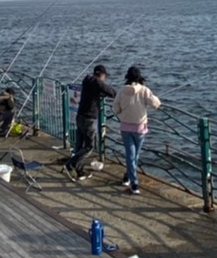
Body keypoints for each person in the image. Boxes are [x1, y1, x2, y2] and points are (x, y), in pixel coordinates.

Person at [113, 66, 160, 195]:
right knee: (135, 155)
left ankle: (128, 176)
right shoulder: (145, 90)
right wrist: (157, 101)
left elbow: (115, 107)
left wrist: (121, 114)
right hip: (139, 128)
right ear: (140, 77)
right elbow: (155, 104)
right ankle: (134, 183)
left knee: (131, 154)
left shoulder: (122, 90)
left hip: (125, 127)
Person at [64, 64, 117, 180]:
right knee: (89, 147)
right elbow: (112, 92)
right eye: (104, 76)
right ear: (102, 75)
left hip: (80, 115)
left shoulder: (87, 81)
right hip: (89, 118)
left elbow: (95, 92)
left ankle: (79, 170)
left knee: (79, 145)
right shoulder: (97, 83)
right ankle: (70, 164)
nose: (105, 79)